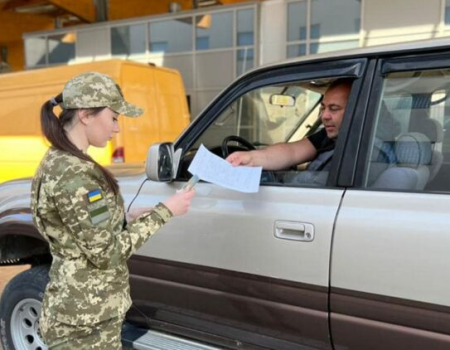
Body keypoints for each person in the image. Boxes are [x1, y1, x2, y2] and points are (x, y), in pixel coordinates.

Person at [30, 72, 195, 349]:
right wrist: (165, 211)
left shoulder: (61, 161)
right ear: (85, 114)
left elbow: (76, 229)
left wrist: (125, 218)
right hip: (86, 323)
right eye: (114, 117)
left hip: (84, 313)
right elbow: (107, 254)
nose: (116, 128)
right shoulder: (75, 174)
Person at [226, 80, 352, 183]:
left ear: (356, 109)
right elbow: (293, 151)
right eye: (323, 108)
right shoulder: (332, 134)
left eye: (334, 109)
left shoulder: (363, 150)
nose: (324, 116)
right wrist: (251, 158)